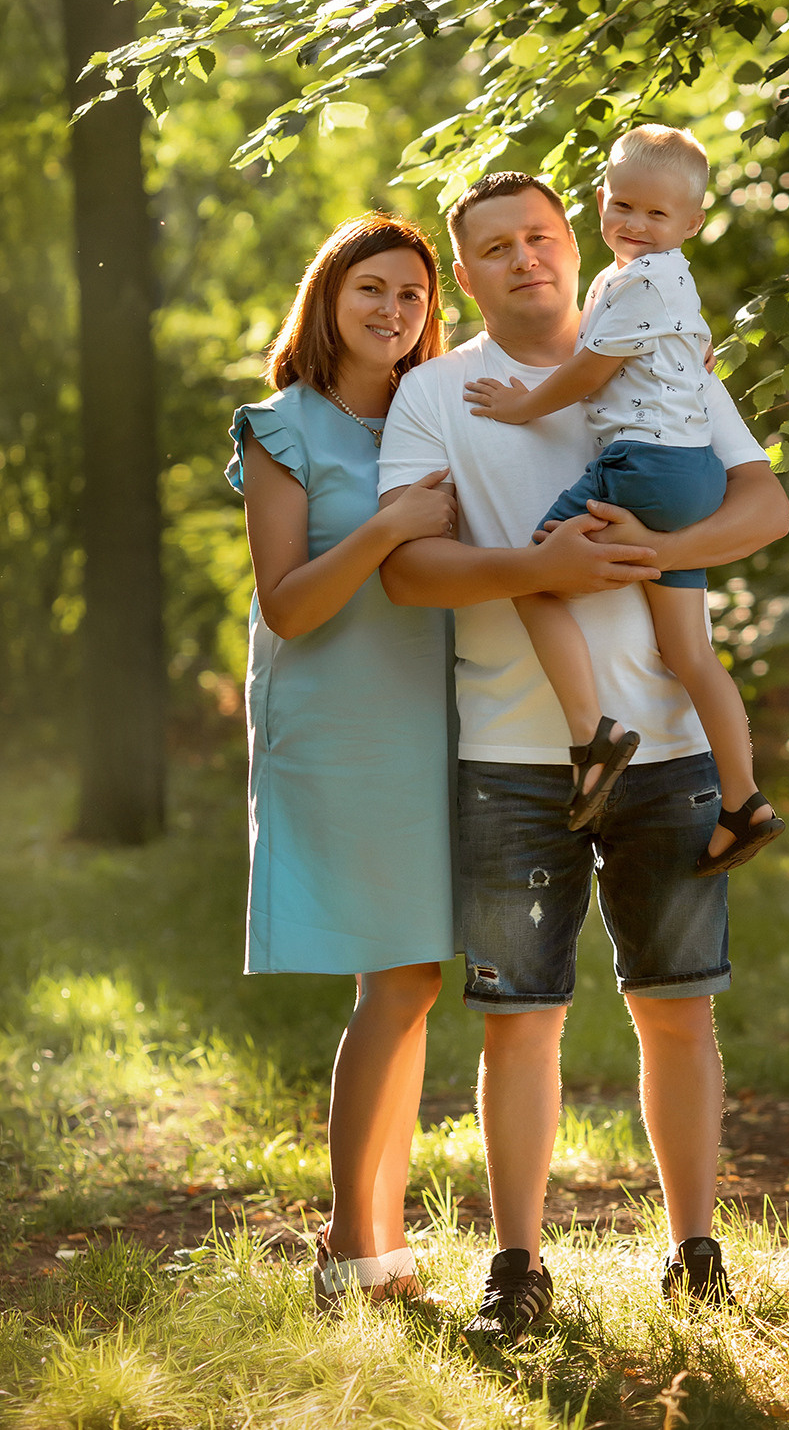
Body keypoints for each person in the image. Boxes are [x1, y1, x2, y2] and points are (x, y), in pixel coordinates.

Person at [376, 171, 789, 1342]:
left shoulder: (661, 357)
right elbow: (410, 572)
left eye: (541, 237)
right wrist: (543, 570)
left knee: (678, 1012)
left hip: (667, 750)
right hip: (511, 753)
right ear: (467, 274)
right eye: (496, 248)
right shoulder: (437, 396)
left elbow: (765, 510)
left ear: (580, 246)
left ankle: (695, 1255)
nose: (526, 259)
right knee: (522, 1019)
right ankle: (517, 1266)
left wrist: (657, 551)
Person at [227, 213, 460, 1309]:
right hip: (338, 720)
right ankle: (346, 1240)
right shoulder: (284, 428)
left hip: (436, 711)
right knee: (401, 973)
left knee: (410, 976)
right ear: (329, 298)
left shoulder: (437, 413)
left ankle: (378, 1239)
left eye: (411, 296)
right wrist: (380, 527)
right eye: (372, 289)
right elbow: (289, 604)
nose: (392, 312)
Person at [465, 124, 781, 872]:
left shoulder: (635, 280)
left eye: (657, 216)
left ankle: (593, 736)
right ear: (600, 200)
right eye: (624, 206)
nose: (635, 226)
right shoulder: (673, 282)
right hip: (692, 476)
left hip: (646, 466)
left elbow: (587, 374)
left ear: (693, 224)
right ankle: (745, 802)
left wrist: (522, 406)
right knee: (690, 653)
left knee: (535, 574)